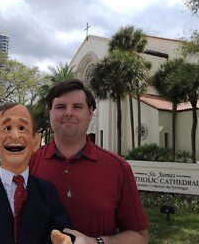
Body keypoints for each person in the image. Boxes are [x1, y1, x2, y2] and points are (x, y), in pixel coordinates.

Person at [30, 79, 150, 244]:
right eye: (60, 107)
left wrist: (97, 242)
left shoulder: (118, 168)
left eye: (77, 107)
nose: (68, 113)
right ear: (50, 112)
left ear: (91, 112)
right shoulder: (27, 164)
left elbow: (140, 237)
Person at [0, 103, 72, 244]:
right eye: (7, 128)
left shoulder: (48, 192)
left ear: (35, 142)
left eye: (22, 128)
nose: (15, 135)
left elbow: (65, 233)